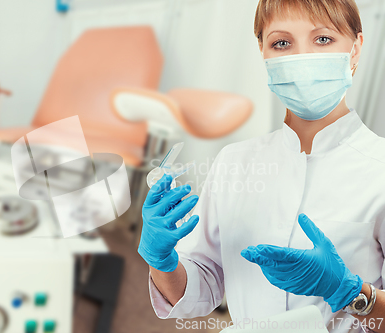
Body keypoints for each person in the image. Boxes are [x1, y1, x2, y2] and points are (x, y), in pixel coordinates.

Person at [136, 1, 385, 332]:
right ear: (263, 53)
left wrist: (350, 292)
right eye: (282, 43)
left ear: (356, 49)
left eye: (323, 39)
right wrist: (163, 263)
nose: (301, 58)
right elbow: (204, 286)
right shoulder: (234, 161)